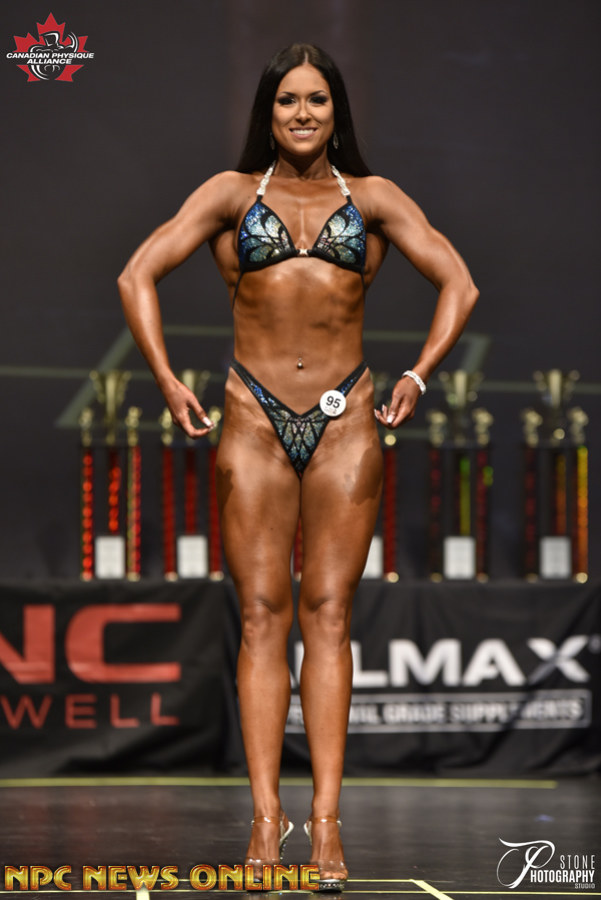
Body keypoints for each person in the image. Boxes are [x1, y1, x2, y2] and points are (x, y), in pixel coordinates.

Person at [118, 43, 479, 891]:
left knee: (328, 614)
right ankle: (263, 818)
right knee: (258, 617)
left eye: (316, 99)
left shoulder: (374, 198)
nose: (303, 113)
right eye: (287, 101)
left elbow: (458, 283)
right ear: (268, 112)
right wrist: (166, 379)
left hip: (346, 419)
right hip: (251, 418)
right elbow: (138, 274)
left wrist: (419, 374)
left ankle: (324, 822)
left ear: (335, 110)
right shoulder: (230, 193)